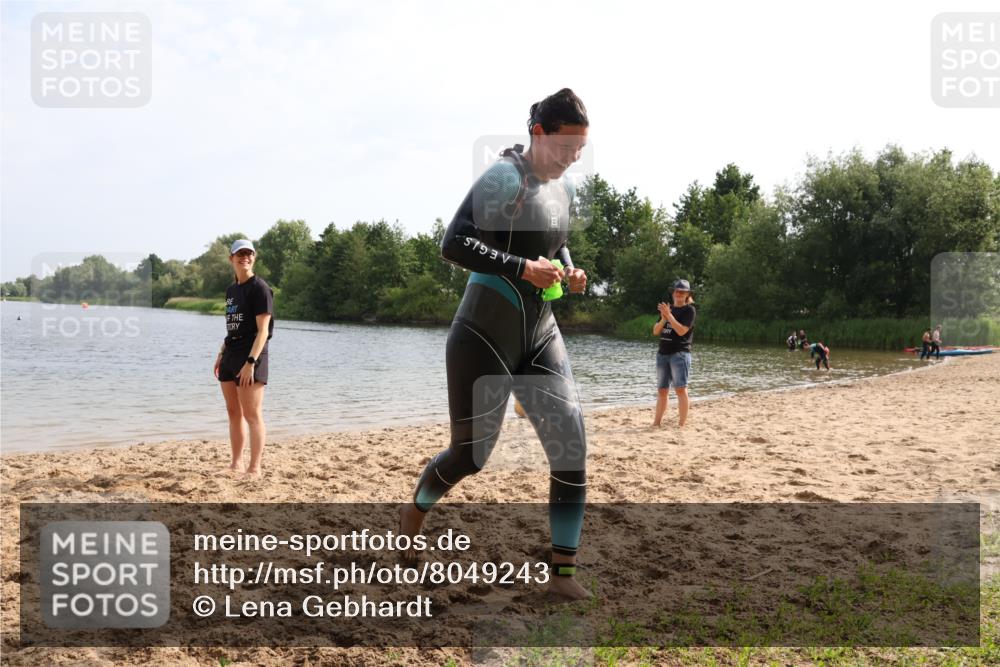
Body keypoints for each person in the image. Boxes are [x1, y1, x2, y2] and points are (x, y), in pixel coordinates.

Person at [399, 88, 591, 600]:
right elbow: (454, 241)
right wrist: (522, 267)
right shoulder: (505, 177)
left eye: (580, 150)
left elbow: (551, 242)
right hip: (483, 333)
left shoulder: (561, 189)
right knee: (471, 457)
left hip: (540, 331)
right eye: (567, 146)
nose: (573, 157)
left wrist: (566, 268)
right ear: (539, 133)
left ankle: (563, 578)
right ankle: (415, 511)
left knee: (571, 444)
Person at [213, 239, 274, 477]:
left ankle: (254, 467)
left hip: (251, 356)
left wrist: (250, 363)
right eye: (240, 254)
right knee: (233, 412)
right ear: (231, 259)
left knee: (252, 414)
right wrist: (221, 353)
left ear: (254, 258)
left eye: (249, 254)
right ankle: (236, 464)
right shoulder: (231, 290)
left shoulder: (260, 288)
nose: (244, 257)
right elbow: (233, 328)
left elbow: (263, 332)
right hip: (230, 354)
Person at [652, 279, 696, 428]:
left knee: (680, 389)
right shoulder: (667, 309)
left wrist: (669, 316)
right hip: (662, 353)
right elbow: (656, 331)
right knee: (662, 390)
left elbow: (682, 330)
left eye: (682, 292)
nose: (678, 294)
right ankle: (656, 423)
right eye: (676, 291)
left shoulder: (689, 310)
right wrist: (664, 318)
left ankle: (681, 425)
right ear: (673, 293)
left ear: (687, 294)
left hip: (680, 354)